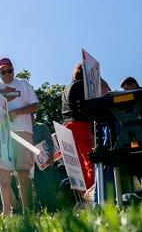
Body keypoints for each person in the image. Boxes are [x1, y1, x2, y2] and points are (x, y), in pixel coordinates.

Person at [0, 58, 39, 215]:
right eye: (3, 72)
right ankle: (6, 214)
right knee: (3, 174)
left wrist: (17, 112)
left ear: (13, 69)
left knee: (22, 172)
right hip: (1, 134)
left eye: (9, 70)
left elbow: (36, 105)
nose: (6, 74)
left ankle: (27, 214)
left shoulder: (23, 84)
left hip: (23, 132)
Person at [61, 63, 94, 191]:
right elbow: (86, 107)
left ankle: (85, 196)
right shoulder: (82, 85)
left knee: (78, 166)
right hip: (80, 124)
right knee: (89, 160)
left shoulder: (67, 88)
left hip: (67, 126)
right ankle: (93, 194)